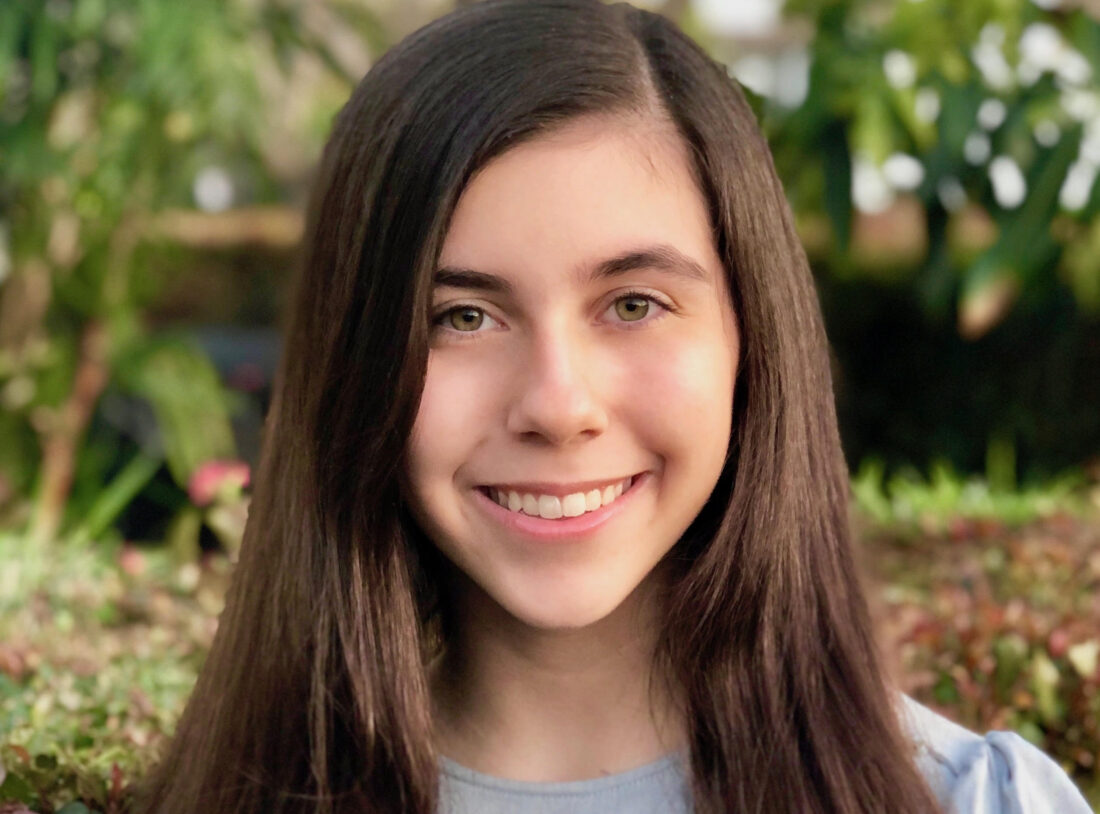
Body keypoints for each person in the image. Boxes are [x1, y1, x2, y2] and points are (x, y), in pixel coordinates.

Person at [133, 1, 1093, 812]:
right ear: (356, 364)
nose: (559, 405)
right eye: (462, 315)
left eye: (634, 304)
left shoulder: (981, 801)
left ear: (751, 340)